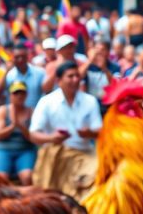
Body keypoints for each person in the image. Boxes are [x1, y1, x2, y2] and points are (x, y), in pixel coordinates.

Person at [30, 61, 101, 198]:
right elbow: (34, 134)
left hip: (84, 154)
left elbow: (99, 131)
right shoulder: (47, 102)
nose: (75, 80)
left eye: (77, 76)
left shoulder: (90, 101)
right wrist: (52, 138)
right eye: (70, 76)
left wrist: (89, 133)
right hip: (55, 154)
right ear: (58, 80)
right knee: (50, 196)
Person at [0, 81, 36, 185]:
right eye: (16, 93)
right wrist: (13, 126)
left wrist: (21, 126)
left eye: (22, 93)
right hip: (4, 150)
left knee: (27, 176)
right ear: (10, 95)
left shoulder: (31, 111)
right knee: (1, 178)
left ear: (26, 95)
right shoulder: (3, 110)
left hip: (25, 150)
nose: (19, 96)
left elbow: (33, 137)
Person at [2, 43, 46, 109]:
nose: (20, 60)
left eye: (23, 56)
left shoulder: (40, 73)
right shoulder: (9, 76)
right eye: (17, 57)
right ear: (12, 58)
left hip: (37, 113)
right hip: (17, 116)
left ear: (27, 57)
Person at [79, 39, 116, 109]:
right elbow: (78, 76)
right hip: (90, 106)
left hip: (107, 106)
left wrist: (104, 69)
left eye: (102, 49)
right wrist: (89, 61)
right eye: (96, 49)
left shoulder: (114, 67)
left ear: (108, 52)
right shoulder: (88, 66)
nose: (98, 52)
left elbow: (115, 84)